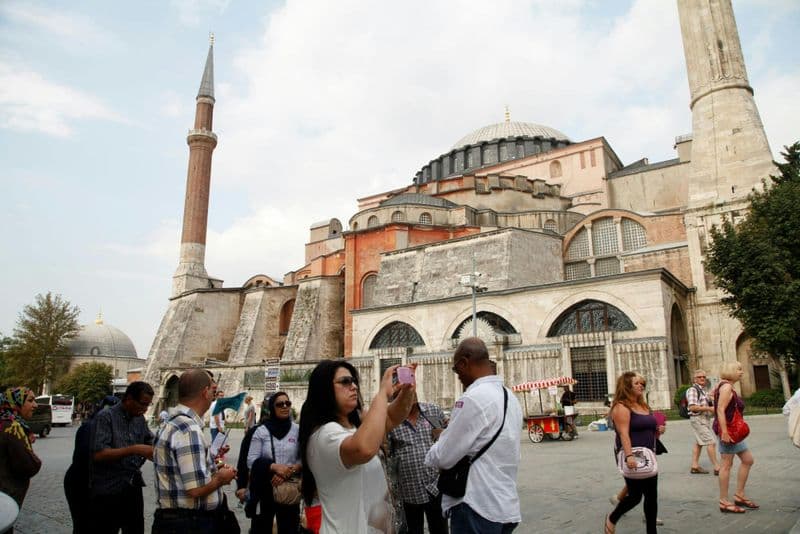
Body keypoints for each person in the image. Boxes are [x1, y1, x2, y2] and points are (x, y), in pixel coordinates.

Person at [298, 360, 416, 533]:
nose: (353, 386)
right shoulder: (325, 435)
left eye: (354, 381)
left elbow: (391, 417)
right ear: (324, 389)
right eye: (345, 382)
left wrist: (408, 389)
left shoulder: (356, 426)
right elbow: (364, 449)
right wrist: (382, 393)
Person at [425, 337, 523, 534]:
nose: (458, 376)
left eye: (456, 369)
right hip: (505, 505)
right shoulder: (509, 397)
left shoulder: (472, 398)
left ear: (464, 363)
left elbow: (443, 456)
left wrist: (438, 441)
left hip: (477, 505)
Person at [151, 369, 238, 533]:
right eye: (213, 390)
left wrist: (212, 465)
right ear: (205, 392)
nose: (214, 395)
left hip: (175, 521)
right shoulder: (189, 429)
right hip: (188, 523)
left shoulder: (173, 422)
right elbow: (195, 489)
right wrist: (221, 478)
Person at [90, 382, 155, 534]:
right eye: (142, 404)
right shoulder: (106, 417)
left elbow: (150, 441)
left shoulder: (139, 419)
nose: (145, 409)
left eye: (148, 405)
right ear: (129, 399)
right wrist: (134, 449)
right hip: (108, 489)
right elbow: (99, 454)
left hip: (132, 486)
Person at [606, 372, 659, 534]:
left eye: (642, 383)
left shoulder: (643, 406)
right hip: (630, 454)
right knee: (635, 496)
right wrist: (629, 456)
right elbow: (623, 434)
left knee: (651, 496)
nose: (641, 386)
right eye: (636, 383)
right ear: (627, 386)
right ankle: (612, 518)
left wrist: (658, 430)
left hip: (648, 454)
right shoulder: (621, 407)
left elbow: (650, 428)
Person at [387, 393, 448, 534]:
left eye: (410, 390)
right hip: (409, 489)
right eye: (403, 392)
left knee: (440, 529)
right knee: (414, 530)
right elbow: (388, 452)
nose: (409, 394)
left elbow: (449, 436)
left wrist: (443, 433)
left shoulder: (433, 410)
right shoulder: (392, 419)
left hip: (436, 486)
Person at [246, 392, 302, 534]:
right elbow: (251, 460)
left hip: (288, 489)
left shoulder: (297, 430)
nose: (285, 407)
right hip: (265, 487)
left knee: (289, 528)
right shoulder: (261, 431)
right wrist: (274, 467)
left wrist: (288, 471)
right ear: (272, 408)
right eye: (280, 404)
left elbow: (304, 458)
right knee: (262, 527)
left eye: (287, 403)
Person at [64, 395, 120, 534]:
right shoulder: (92, 427)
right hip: (85, 485)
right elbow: (87, 458)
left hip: (84, 483)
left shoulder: (92, 425)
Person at [715, 361, 758, 513]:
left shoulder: (726, 386)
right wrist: (724, 432)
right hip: (729, 432)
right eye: (738, 369)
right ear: (731, 370)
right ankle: (724, 501)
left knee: (748, 460)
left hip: (733, 432)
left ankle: (739, 495)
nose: (741, 372)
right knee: (726, 465)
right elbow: (720, 409)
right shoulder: (726, 387)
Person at [0, 386, 42, 519]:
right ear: (15, 403)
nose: (35, 405)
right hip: (6, 498)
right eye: (30, 400)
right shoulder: (12, 427)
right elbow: (29, 466)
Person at [686, 369, 720, 475]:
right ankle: (717, 467)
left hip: (704, 419)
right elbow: (692, 407)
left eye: (704, 377)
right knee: (711, 442)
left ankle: (694, 466)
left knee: (699, 443)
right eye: (699, 377)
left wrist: (711, 399)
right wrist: (709, 409)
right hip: (698, 419)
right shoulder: (693, 390)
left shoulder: (703, 391)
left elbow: (706, 403)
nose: (702, 378)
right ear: (694, 379)